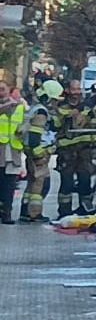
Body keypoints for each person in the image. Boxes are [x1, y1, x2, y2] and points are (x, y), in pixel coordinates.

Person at [54, 85, 96, 217]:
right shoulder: (60, 107)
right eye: (74, 90)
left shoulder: (87, 107)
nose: (76, 93)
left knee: (85, 180)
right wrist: (69, 117)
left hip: (84, 150)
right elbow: (56, 125)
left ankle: (85, 209)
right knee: (67, 182)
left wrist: (86, 121)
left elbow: (94, 123)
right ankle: (64, 212)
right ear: (67, 91)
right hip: (66, 151)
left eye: (79, 89)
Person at [21, 80, 59, 222]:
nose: (55, 102)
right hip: (38, 153)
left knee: (31, 182)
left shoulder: (36, 108)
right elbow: (35, 135)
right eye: (54, 99)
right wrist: (39, 154)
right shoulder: (41, 112)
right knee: (40, 184)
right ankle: (34, 214)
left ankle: (25, 211)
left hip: (32, 152)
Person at [0, 85, 24, 224]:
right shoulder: (10, 105)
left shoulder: (19, 107)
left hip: (13, 151)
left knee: (9, 185)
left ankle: (7, 213)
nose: (1, 92)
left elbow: (26, 121)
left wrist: (23, 130)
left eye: (3, 89)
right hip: (1, 150)